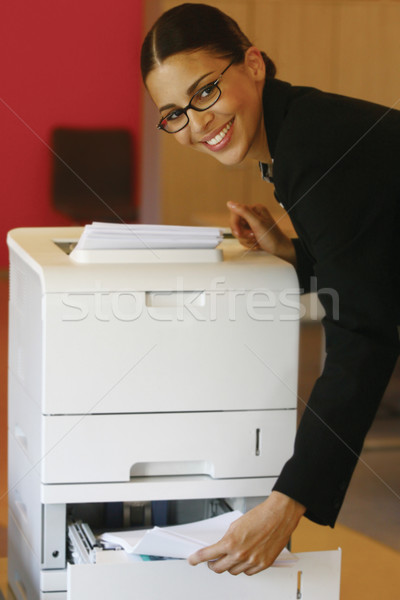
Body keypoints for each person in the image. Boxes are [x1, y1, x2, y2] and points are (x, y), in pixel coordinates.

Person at [141, 2, 400, 576]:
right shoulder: (294, 136)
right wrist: (293, 253)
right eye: (174, 114)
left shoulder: (312, 148)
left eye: (204, 92)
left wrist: (287, 503)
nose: (196, 123)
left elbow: (363, 332)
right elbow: (371, 261)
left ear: (253, 65)